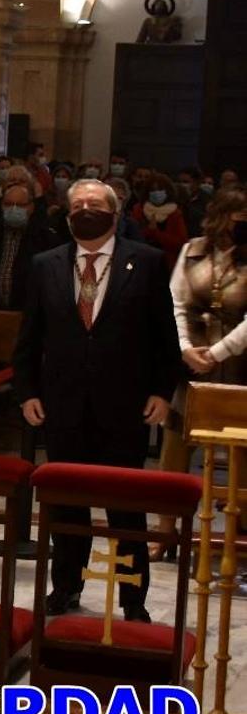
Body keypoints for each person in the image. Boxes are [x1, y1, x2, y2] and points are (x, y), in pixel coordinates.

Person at [12, 179, 179, 622]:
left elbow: (165, 335)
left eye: (95, 204)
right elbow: (29, 337)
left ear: (115, 211)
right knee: (67, 503)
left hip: (124, 404)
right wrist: (27, 391)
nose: (87, 209)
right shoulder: (45, 264)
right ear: (67, 216)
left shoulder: (144, 261)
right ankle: (66, 586)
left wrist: (163, 391)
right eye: (78, 204)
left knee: (125, 506)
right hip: (62, 403)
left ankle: (132, 598)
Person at [156, 188, 247, 555]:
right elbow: (175, 300)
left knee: (241, 451)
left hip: (240, 365)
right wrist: (184, 349)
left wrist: (220, 351)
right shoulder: (192, 249)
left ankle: (237, 535)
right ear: (222, 218)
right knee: (175, 447)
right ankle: (166, 533)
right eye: (239, 219)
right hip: (191, 364)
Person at [0, 183, 61, 311]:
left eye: (21, 205)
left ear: (31, 207)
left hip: (27, 313)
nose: (14, 209)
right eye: (8, 204)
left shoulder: (46, 239)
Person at [132, 171, 189, 270]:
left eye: (160, 190)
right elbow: (132, 236)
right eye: (153, 190)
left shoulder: (174, 213)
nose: (156, 193)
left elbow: (181, 243)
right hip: (140, 263)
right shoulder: (139, 210)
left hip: (166, 265)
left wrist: (156, 233)